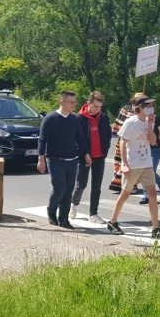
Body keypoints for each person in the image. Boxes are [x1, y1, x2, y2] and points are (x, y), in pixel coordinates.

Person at [106, 95, 160, 239]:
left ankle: (156, 229)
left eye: (152, 105)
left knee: (153, 194)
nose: (151, 108)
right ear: (140, 107)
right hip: (132, 164)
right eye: (148, 106)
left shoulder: (149, 122)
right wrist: (125, 164)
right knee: (125, 194)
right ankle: (113, 222)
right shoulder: (131, 122)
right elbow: (122, 142)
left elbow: (153, 142)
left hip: (146, 163)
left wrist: (149, 125)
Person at [37, 91, 91, 229]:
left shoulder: (76, 119)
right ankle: (51, 211)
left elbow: (81, 138)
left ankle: (64, 219)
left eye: (75, 102)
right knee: (59, 188)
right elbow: (43, 140)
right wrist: (41, 159)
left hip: (72, 160)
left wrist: (86, 154)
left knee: (68, 190)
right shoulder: (50, 118)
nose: (73, 105)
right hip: (55, 159)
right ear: (62, 101)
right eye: (71, 102)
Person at [70, 91, 111, 224]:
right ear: (88, 104)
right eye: (95, 106)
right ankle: (74, 205)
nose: (97, 110)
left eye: (99, 107)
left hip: (99, 156)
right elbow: (76, 139)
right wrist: (84, 153)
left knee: (96, 186)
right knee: (81, 184)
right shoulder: (79, 118)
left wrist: (105, 151)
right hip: (84, 156)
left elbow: (108, 136)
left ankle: (93, 213)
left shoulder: (103, 117)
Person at [108, 95, 139, 192]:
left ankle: (132, 185)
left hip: (135, 143)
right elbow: (118, 125)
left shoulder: (142, 112)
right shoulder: (126, 109)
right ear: (132, 103)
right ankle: (119, 184)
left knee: (133, 164)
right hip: (122, 140)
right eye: (135, 102)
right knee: (120, 162)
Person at [139, 106, 160, 205]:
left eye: (150, 107)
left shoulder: (157, 119)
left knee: (151, 171)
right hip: (144, 149)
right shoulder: (140, 119)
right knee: (145, 171)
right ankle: (147, 195)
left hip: (155, 150)